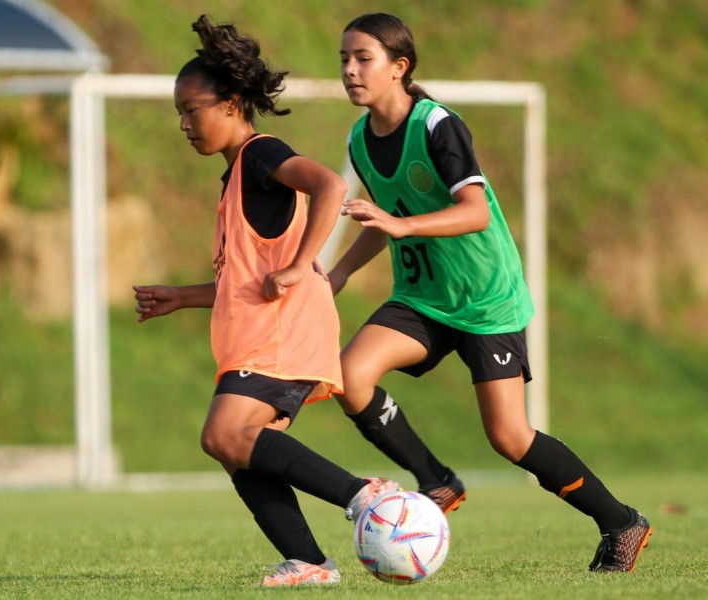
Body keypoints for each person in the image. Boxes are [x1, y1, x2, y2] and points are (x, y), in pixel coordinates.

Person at [329, 12, 652, 573]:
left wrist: (401, 226)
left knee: (509, 437)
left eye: (363, 59)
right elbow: (386, 219)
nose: (351, 70)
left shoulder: (437, 126)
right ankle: (436, 481)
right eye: (344, 60)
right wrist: (340, 272)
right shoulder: (360, 138)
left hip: (484, 299)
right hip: (424, 296)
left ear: (399, 67)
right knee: (350, 376)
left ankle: (621, 522)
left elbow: (474, 212)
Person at [132, 15, 399, 587]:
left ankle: (366, 496)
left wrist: (304, 262)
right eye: (178, 112)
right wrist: (180, 298)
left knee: (222, 434)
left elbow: (330, 184)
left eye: (191, 109)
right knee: (237, 448)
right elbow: (248, 280)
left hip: (283, 337)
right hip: (262, 336)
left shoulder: (260, 153)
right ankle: (311, 562)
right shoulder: (233, 179)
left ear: (230, 103)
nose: (183, 124)